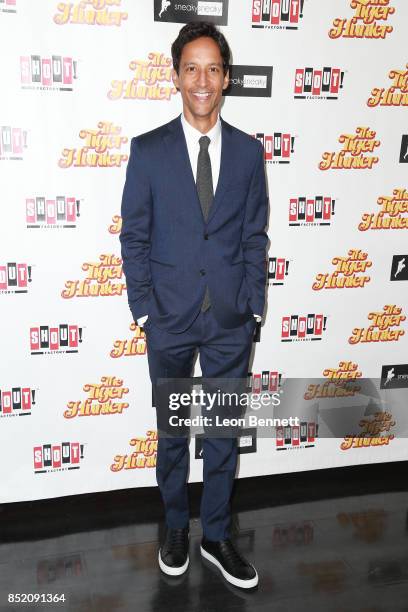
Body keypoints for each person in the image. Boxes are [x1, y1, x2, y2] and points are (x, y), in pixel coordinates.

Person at [120, 21, 268, 589]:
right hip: (170, 319)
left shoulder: (251, 154)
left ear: (226, 77)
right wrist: (144, 310)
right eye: (191, 68)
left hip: (231, 319)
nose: (202, 80)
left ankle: (217, 535)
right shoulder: (149, 151)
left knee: (224, 431)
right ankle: (176, 525)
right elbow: (134, 237)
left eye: (213, 68)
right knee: (174, 431)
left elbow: (254, 236)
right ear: (176, 76)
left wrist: (253, 305)